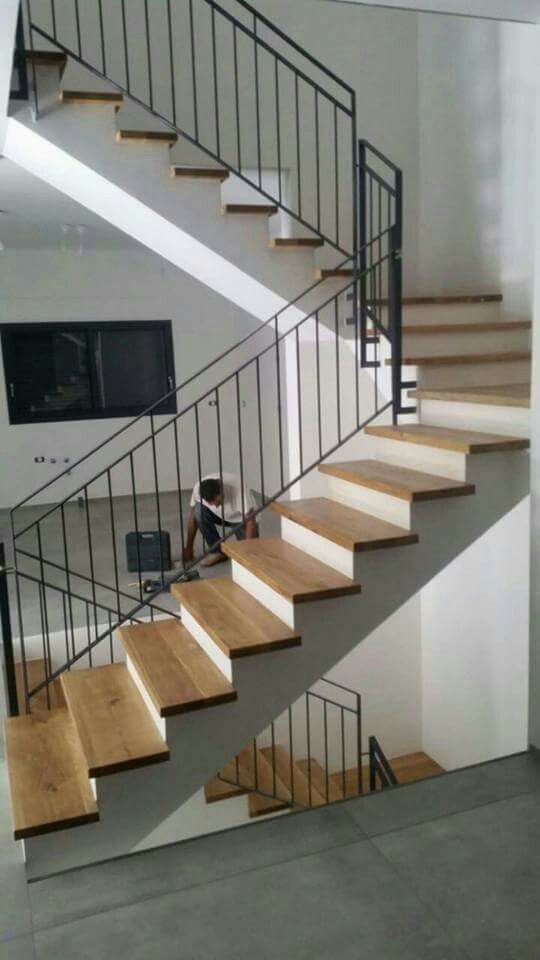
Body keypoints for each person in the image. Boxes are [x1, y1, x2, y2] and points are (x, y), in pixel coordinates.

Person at [183, 473, 258, 567]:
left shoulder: (238, 489)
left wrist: (247, 552)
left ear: (222, 491)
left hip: (240, 518)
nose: (216, 506)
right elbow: (193, 518)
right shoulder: (198, 489)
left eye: (218, 501)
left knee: (251, 553)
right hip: (219, 516)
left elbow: (251, 521)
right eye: (211, 504)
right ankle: (217, 552)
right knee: (198, 511)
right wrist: (189, 547)